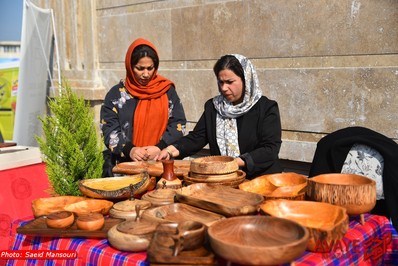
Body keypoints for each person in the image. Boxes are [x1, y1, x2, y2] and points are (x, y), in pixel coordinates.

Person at [156, 54, 282, 179]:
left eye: (230, 82)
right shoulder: (214, 107)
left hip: (261, 181)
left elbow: (270, 149)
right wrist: (170, 150)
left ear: (246, 79)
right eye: (220, 82)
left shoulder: (266, 108)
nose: (224, 88)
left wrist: (234, 163)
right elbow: (196, 138)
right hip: (223, 181)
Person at [100, 38, 186, 177]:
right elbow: (109, 129)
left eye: (150, 68)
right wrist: (130, 150)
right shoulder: (116, 95)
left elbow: (178, 124)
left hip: (161, 167)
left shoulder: (166, 91)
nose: (146, 74)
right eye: (140, 68)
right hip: (125, 169)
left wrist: (160, 147)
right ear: (130, 66)